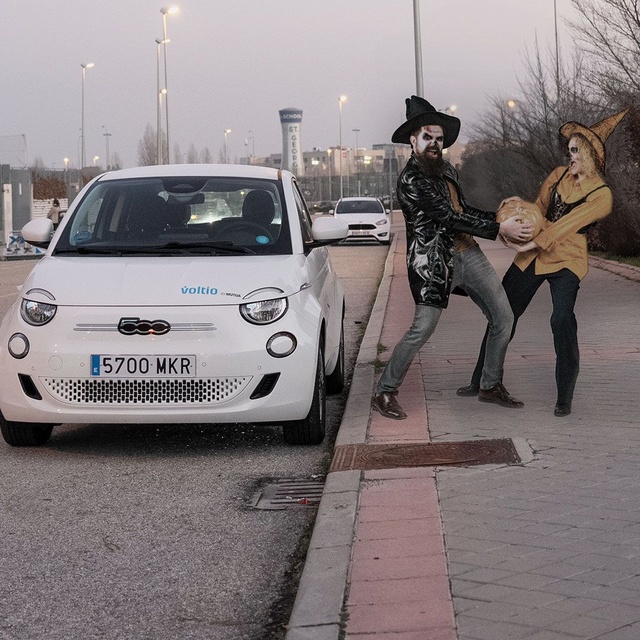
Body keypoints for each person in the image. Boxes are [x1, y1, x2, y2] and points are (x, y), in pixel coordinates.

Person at [459, 108, 630, 417]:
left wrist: (532, 240)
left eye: (576, 150)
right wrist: (515, 215)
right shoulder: (556, 176)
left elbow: (567, 225)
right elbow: (538, 208)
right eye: (570, 149)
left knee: (561, 320)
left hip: (567, 258)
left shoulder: (601, 195)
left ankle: (564, 395)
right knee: (503, 315)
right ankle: (480, 381)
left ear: (591, 154)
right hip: (532, 258)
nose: (570, 154)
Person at [371, 95, 533, 420]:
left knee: (503, 317)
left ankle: (489, 384)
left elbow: (463, 210)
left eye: (439, 138)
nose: (435, 143)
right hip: (433, 265)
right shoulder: (412, 181)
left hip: (468, 254)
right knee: (422, 329)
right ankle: (384, 392)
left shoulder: (446, 169)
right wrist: (501, 228)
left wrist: (499, 216)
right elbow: (448, 218)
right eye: (427, 137)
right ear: (413, 140)